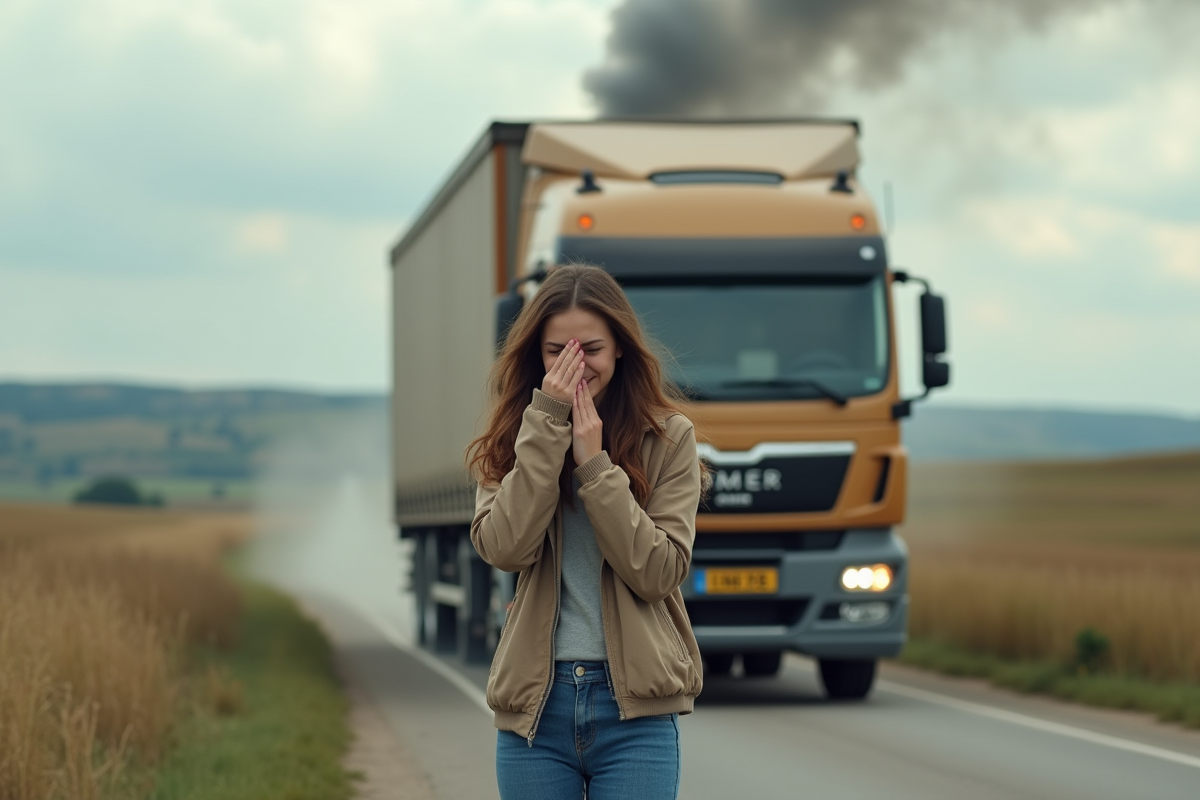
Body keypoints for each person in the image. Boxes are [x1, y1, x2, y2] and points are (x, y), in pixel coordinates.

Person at [467, 264, 705, 800]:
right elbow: (504, 548)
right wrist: (547, 428)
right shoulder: (514, 435)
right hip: (536, 712)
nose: (575, 365)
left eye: (591, 349)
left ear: (620, 347)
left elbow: (659, 572)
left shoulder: (669, 437)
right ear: (537, 354)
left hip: (635, 716)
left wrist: (595, 468)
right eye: (557, 351)